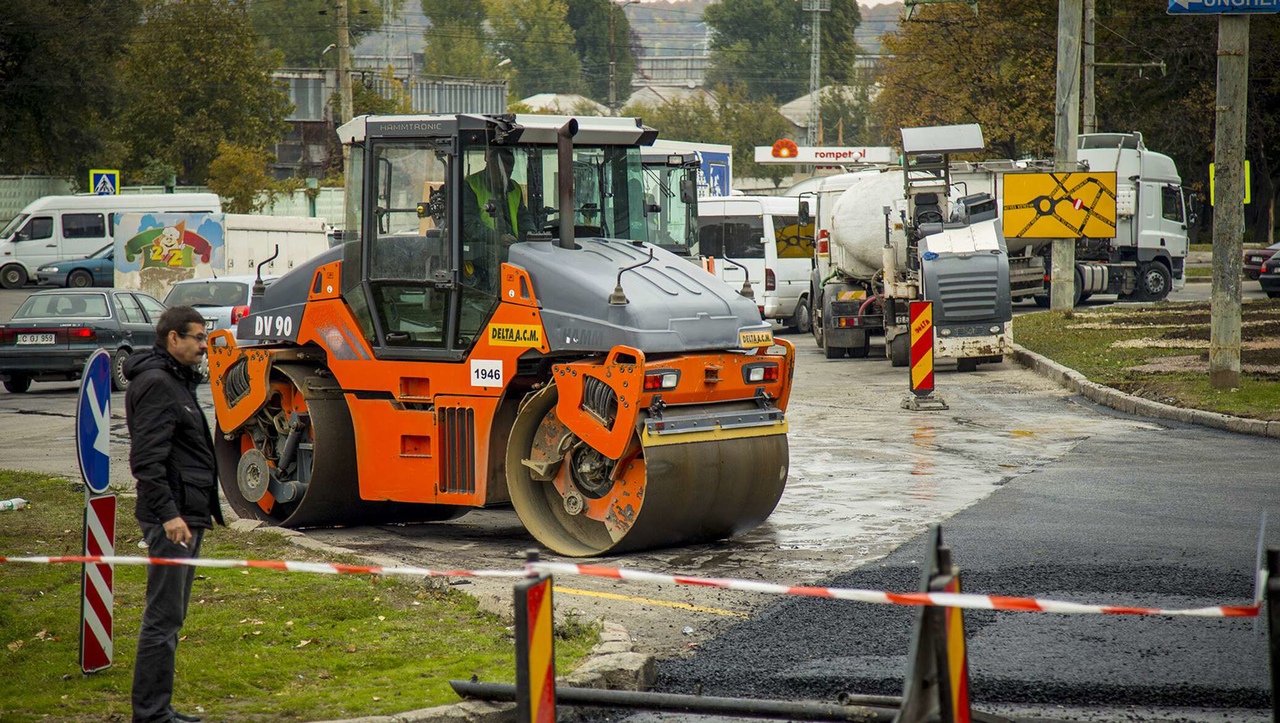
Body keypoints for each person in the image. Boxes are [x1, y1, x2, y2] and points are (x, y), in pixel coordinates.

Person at [124, 305, 224, 723]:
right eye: (198, 338)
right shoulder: (157, 384)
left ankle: (159, 708)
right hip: (174, 518)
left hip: (187, 512)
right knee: (162, 618)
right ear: (173, 339)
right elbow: (147, 461)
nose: (204, 345)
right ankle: (151, 713)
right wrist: (169, 515)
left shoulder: (175, 381)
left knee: (172, 616)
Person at [462, 146, 535, 255]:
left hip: (512, 248)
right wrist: (497, 238)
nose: (504, 177)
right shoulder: (470, 185)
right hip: (482, 250)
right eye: (500, 173)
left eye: (508, 173)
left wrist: (530, 234)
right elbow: (468, 222)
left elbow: (523, 216)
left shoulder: (514, 188)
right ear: (490, 166)